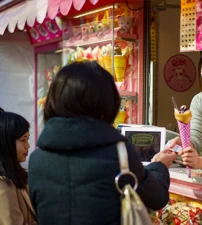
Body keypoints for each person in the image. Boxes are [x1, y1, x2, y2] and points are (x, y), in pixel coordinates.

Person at [28, 61, 176, 225]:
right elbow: (157, 198)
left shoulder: (36, 160)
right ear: (106, 102)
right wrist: (158, 166)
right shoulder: (119, 155)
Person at [0, 112, 36, 225]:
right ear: (6, 143)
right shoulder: (2, 183)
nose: (28, 145)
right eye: (23, 139)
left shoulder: (18, 174)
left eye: (28, 138)